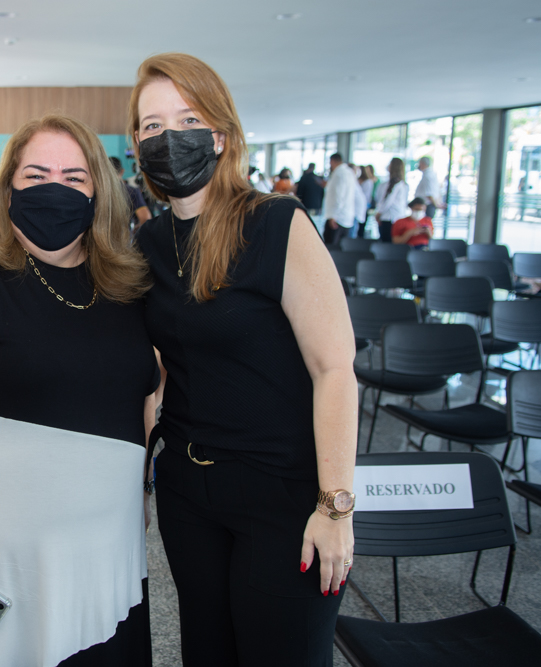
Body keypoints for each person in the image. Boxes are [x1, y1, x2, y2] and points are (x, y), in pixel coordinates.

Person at [0, 113, 159, 667]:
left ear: (98, 192)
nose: (54, 191)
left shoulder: (127, 284)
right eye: (36, 176)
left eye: (73, 178)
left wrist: (137, 498)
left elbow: (140, 397)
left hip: (103, 553)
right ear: (8, 187)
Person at [131, 52, 356, 666]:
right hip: (188, 490)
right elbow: (163, 363)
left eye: (187, 118)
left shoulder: (276, 223)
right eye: (151, 126)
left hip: (281, 496)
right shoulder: (149, 241)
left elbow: (335, 369)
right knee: (208, 649)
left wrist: (335, 506)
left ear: (221, 135)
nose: (168, 137)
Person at [111, 155, 153, 234]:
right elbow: (145, 218)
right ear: (122, 171)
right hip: (124, 240)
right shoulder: (131, 191)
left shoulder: (96, 191)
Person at [322, 153, 357, 246]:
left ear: (332, 161)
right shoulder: (349, 172)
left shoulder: (339, 174)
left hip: (338, 218)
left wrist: (334, 215)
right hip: (346, 217)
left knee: (331, 248)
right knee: (342, 248)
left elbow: (339, 196)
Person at [374, 157, 409, 242]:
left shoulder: (395, 184)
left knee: (387, 243)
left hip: (389, 219)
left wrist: (378, 213)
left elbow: (387, 202)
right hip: (397, 217)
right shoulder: (403, 184)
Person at [356, 165, 377, 238]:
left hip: (364, 206)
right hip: (357, 207)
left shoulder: (368, 182)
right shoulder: (358, 181)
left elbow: (365, 196)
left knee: (361, 227)